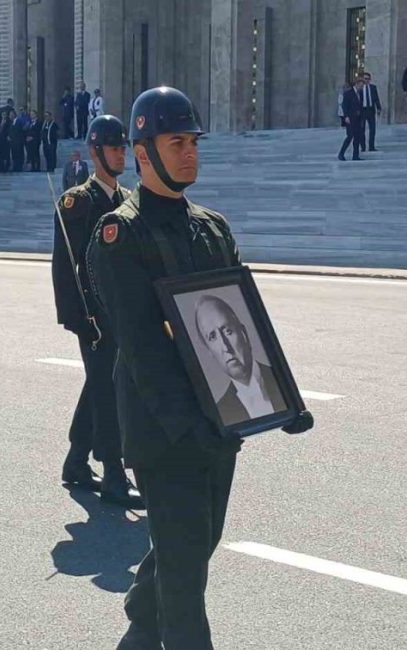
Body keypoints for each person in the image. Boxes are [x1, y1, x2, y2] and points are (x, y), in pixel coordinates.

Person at [87, 86, 312, 650]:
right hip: (165, 429)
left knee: (195, 540)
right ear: (143, 153)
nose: (189, 152)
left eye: (192, 141)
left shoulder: (212, 226)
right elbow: (140, 348)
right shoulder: (121, 235)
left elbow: (245, 325)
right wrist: (191, 427)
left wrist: (282, 400)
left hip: (221, 420)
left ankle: (142, 615)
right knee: (188, 572)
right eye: (175, 141)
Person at [53, 114, 143, 510]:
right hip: (91, 315)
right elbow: (64, 266)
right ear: (94, 152)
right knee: (108, 389)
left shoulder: (127, 201)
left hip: (119, 314)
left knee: (99, 384)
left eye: (122, 148)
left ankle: (76, 461)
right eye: (112, 148)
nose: (120, 154)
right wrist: (77, 318)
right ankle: (112, 473)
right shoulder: (78, 202)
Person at [193, 295, 286, 425]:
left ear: (244, 334)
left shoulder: (283, 381)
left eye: (228, 331)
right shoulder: (221, 412)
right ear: (209, 350)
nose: (225, 347)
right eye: (212, 337)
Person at [339, 78, 366, 161]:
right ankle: (341, 154)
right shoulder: (348, 93)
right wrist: (346, 116)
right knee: (350, 136)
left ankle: (355, 155)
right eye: (360, 86)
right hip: (350, 118)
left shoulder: (360, 94)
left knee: (357, 137)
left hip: (358, 118)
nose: (361, 88)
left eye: (362, 86)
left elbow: (361, 106)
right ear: (356, 84)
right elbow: (344, 105)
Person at [360, 71, 383, 152]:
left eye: (368, 79)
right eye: (365, 79)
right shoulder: (360, 88)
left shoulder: (373, 87)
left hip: (371, 109)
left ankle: (371, 146)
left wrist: (379, 108)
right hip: (362, 110)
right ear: (362, 79)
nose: (366, 80)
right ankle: (363, 147)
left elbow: (376, 98)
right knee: (362, 129)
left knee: (372, 129)